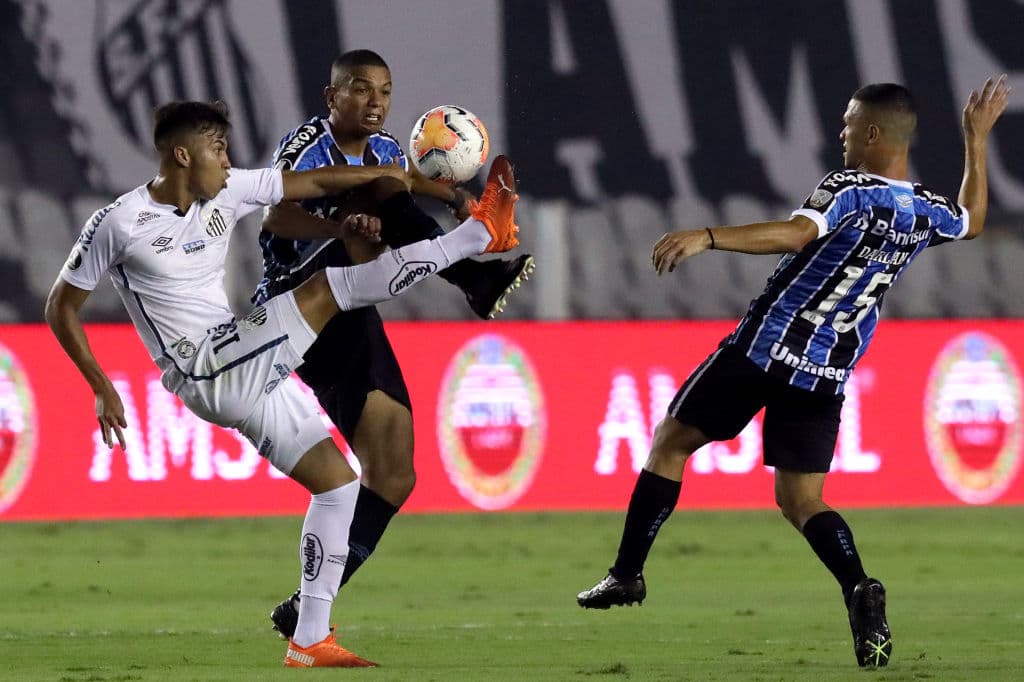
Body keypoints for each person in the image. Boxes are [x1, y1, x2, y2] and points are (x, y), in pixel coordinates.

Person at [44, 100, 521, 668]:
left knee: (339, 486)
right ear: (181, 154)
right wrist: (101, 385)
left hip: (238, 355)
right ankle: (473, 242)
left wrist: (398, 179)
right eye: (217, 149)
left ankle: (309, 638)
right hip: (203, 367)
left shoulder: (228, 189)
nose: (228, 160)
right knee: (327, 288)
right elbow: (60, 306)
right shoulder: (118, 222)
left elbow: (316, 179)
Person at [576, 76, 1009, 668]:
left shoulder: (849, 189)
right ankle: (858, 586)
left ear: (874, 133)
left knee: (671, 442)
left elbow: (795, 233)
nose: (842, 132)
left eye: (850, 122)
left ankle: (627, 575)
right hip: (826, 371)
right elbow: (973, 220)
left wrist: (708, 236)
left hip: (765, 348)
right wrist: (975, 142)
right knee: (802, 498)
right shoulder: (925, 209)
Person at [258, 49, 533, 639]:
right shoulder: (307, 144)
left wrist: (452, 195)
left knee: (393, 474)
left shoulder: (386, 153)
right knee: (381, 191)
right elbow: (275, 220)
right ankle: (476, 275)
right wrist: (339, 226)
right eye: (359, 89)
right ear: (332, 98)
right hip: (297, 298)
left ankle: (306, 608)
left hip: (350, 308)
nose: (375, 101)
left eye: (384, 91)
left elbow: (401, 182)